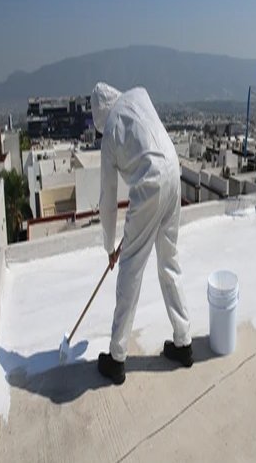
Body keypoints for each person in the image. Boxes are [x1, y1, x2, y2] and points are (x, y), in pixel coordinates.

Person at [91, 82, 193, 385]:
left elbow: (108, 200)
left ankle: (116, 358)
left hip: (150, 185)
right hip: (173, 173)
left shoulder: (109, 132)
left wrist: (110, 247)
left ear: (99, 117)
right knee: (169, 261)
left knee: (130, 270)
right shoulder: (139, 94)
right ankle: (184, 343)